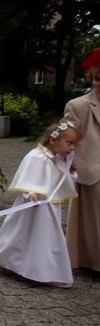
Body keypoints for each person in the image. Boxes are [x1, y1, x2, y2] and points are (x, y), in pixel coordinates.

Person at [0, 121, 81, 288]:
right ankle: (35, 268)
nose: (72, 148)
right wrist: (30, 192)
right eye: (69, 143)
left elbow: (60, 180)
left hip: (48, 206)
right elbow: (28, 176)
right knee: (26, 234)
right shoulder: (37, 156)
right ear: (53, 140)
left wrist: (69, 170)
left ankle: (45, 270)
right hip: (34, 204)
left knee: (45, 236)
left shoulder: (56, 158)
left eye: (74, 144)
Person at [63, 64, 100, 272]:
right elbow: (66, 138)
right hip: (92, 168)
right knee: (92, 221)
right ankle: (92, 262)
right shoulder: (77, 105)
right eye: (96, 78)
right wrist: (71, 160)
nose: (99, 83)